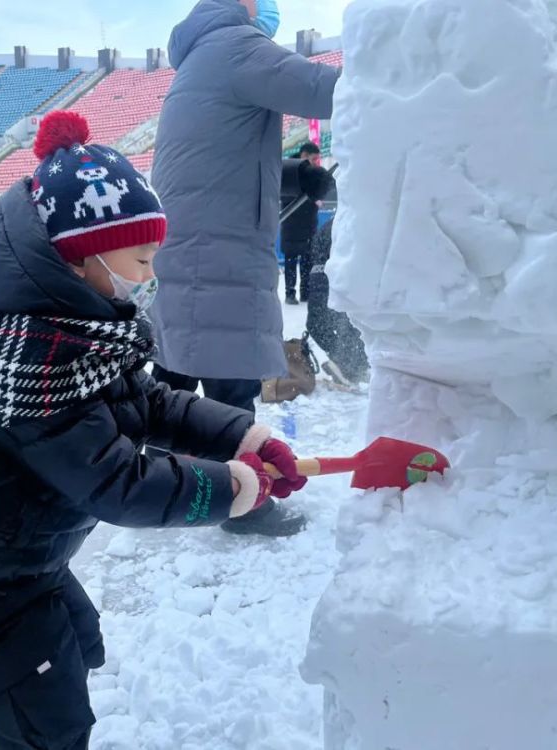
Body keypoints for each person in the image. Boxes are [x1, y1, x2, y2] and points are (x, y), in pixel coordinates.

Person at [0, 112, 308, 750]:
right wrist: (231, 488)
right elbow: (118, 482)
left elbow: (145, 402)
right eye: (142, 257)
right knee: (43, 721)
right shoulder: (29, 357)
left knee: (76, 644)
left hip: (5, 542)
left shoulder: (75, 324)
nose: (151, 274)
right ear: (80, 257)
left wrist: (243, 437)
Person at [149, 0, 340, 537]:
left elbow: (222, 163)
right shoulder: (236, 45)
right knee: (230, 382)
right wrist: (404, 71)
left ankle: (161, 480)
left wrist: (297, 177)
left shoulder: (200, 57)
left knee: (177, 371)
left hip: (190, 246)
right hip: (219, 252)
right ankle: (243, 500)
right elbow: (327, 90)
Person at [306, 217, 369, 387]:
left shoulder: (334, 226)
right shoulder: (346, 226)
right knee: (349, 326)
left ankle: (349, 363)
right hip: (330, 281)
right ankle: (348, 364)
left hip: (322, 280)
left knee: (321, 325)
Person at [282, 142, 323, 305]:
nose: (315, 162)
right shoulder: (289, 171)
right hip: (291, 223)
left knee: (307, 261)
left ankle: (305, 292)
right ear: (304, 156)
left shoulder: (314, 173)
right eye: (313, 159)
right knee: (291, 260)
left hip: (308, 223)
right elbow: (285, 195)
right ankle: (289, 293)